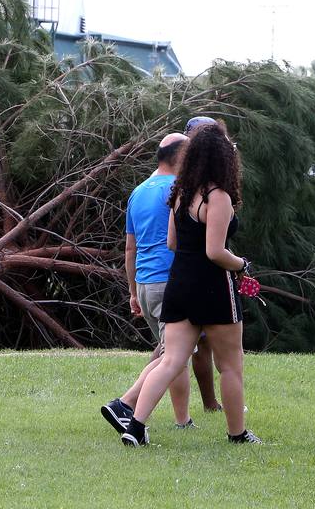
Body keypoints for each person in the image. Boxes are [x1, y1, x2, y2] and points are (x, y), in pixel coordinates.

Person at [104, 121, 261, 446]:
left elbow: (173, 244)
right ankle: (237, 434)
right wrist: (242, 264)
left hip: (179, 284)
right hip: (213, 288)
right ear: (222, 158)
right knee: (231, 366)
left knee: (171, 360)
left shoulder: (180, 195)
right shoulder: (218, 197)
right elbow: (215, 251)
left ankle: (135, 426)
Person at [121, 134, 220, 427]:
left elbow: (130, 247)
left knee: (172, 353)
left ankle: (183, 420)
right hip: (172, 282)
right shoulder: (183, 191)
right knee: (173, 356)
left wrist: (132, 292)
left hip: (145, 283)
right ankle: (125, 405)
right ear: (181, 158)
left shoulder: (137, 193)